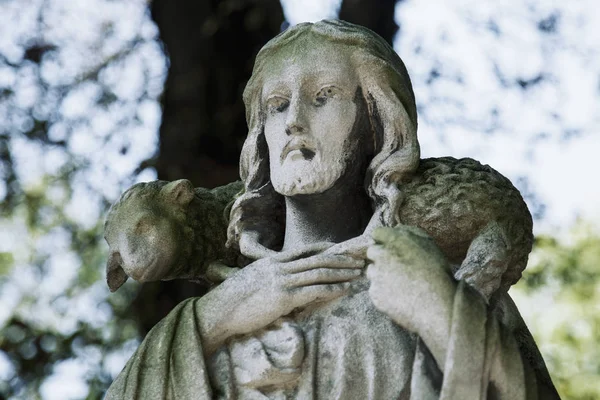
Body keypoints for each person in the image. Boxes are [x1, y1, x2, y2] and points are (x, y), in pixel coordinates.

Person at [106, 20, 559, 399]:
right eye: (277, 106)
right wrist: (210, 320)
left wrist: (440, 311)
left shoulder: (447, 285)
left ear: (375, 123)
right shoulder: (213, 322)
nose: (294, 122)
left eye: (324, 96)